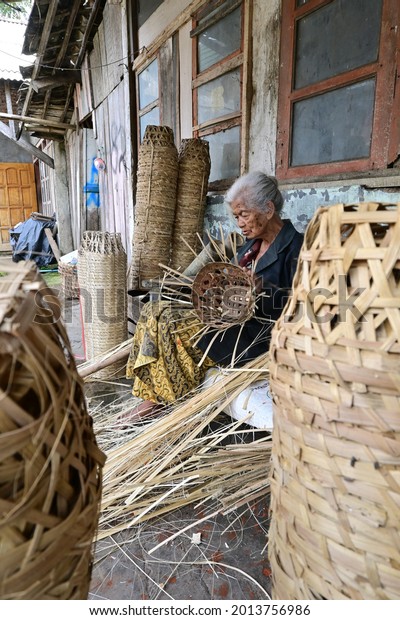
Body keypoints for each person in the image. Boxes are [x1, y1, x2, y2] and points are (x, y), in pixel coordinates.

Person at [125, 171, 303, 418]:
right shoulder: (250, 247)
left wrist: (264, 290)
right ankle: (151, 396)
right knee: (154, 310)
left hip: (255, 334)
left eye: (244, 215)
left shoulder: (296, 247)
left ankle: (163, 401)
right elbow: (228, 286)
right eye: (236, 216)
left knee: (169, 323)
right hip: (227, 320)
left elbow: (299, 304)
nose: (239, 223)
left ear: (268, 209)